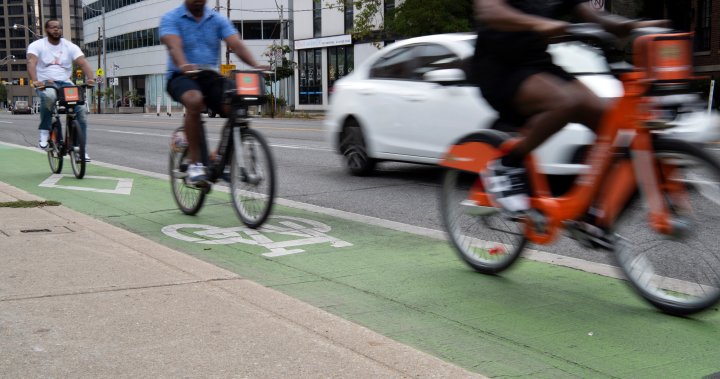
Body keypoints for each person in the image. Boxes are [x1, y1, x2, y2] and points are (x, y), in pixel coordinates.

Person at [473, 0, 667, 213]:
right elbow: (490, 11)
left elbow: (596, 16)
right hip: (499, 70)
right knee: (567, 101)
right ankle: (507, 164)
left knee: (612, 123)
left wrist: (629, 25)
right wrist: (536, 23)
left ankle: (593, 215)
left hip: (539, 66)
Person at [159, 0, 267, 185]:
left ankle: (218, 157)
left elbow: (236, 44)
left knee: (236, 104)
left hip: (209, 77)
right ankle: (195, 165)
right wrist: (183, 64)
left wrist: (256, 65)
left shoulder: (217, 19)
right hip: (181, 76)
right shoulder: (171, 18)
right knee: (194, 100)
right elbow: (173, 45)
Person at [28, 19, 96, 160]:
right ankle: (45, 130)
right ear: (46, 30)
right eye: (53, 27)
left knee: (81, 110)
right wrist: (36, 80)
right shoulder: (37, 45)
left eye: (58, 27)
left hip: (65, 83)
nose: (56, 30)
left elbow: (83, 62)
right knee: (50, 96)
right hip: (46, 83)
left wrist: (90, 78)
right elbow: (31, 62)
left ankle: (79, 150)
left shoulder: (69, 46)